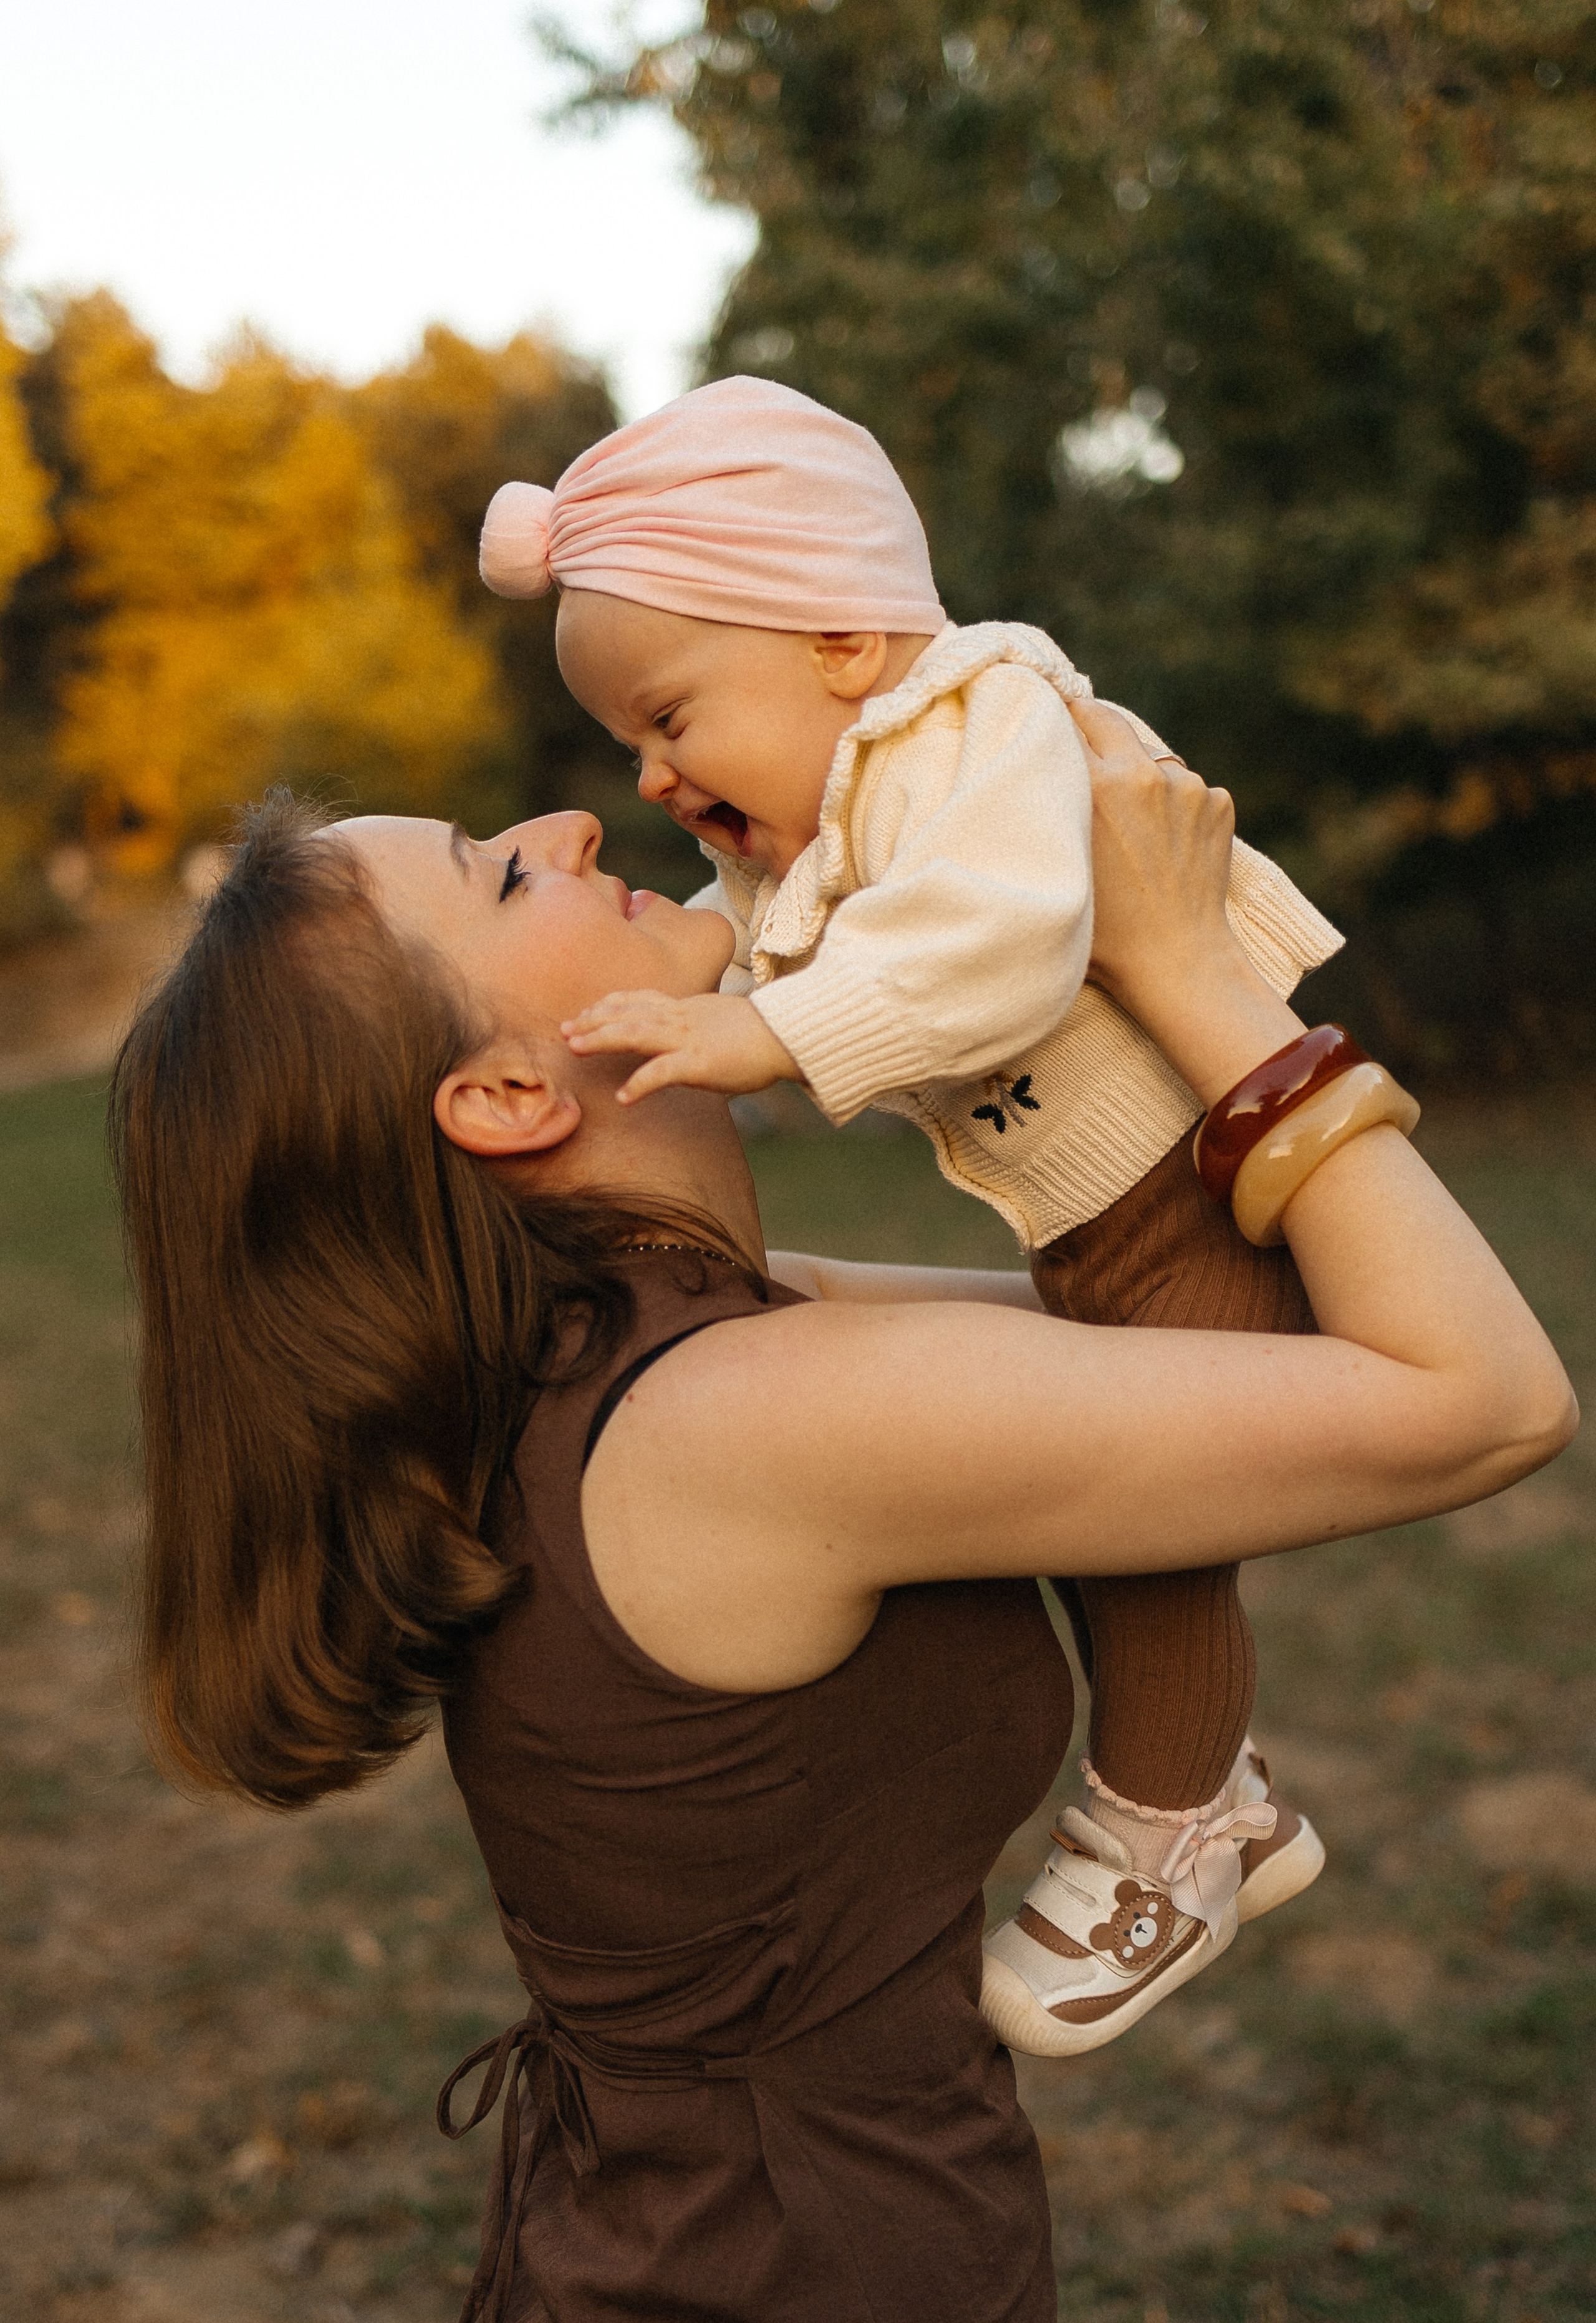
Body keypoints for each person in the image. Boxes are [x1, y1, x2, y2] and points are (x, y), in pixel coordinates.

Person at [111, 720, 1574, 2323]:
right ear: (513, 1092)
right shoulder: (733, 1424)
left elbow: (1224, 1359)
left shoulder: (647, 1353)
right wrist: (1195, 983)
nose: (572, 828)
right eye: (510, 872)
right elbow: (1478, 1396)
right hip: (791, 2271)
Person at [477, 376, 1344, 2054]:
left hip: (1197, 1194)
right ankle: (1215, 1775)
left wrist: (772, 1035)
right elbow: (779, 928)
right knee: (1098, 1509)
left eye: (669, 715)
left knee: (1150, 1533)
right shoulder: (858, 779)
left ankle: (1176, 1818)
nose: (655, 772)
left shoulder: (988, 717)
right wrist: (729, 921)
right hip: (1104, 1216)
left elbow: (997, 942)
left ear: (840, 639)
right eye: (633, 747)